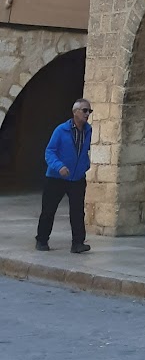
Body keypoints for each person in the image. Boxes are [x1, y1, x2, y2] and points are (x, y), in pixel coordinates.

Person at [36, 99, 93, 253]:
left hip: (77, 178)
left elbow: (85, 151)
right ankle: (41, 240)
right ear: (75, 112)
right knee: (49, 210)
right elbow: (50, 151)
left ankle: (78, 243)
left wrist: (85, 166)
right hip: (56, 178)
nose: (88, 114)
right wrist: (59, 166)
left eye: (89, 111)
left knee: (77, 211)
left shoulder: (89, 130)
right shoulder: (61, 130)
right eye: (85, 110)